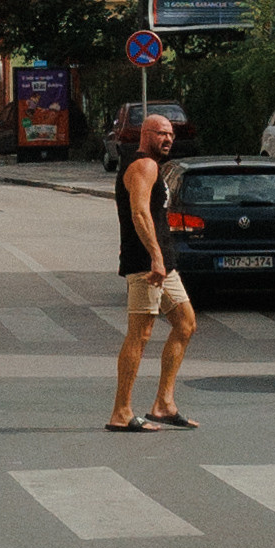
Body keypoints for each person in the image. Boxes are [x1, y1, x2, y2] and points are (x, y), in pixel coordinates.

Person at [110, 109, 197, 430]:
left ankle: (163, 403)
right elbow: (140, 214)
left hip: (163, 264)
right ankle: (121, 412)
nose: (168, 139)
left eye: (171, 135)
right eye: (162, 133)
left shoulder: (153, 167)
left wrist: (164, 259)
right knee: (140, 334)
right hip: (146, 264)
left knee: (185, 324)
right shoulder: (143, 166)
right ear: (146, 135)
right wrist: (156, 258)